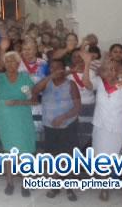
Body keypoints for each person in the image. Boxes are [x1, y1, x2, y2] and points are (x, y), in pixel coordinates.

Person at [81, 50, 122, 204]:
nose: (111, 72)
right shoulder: (99, 82)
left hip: (121, 130)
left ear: (118, 70)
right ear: (102, 72)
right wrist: (86, 64)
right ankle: (104, 187)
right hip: (102, 130)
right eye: (107, 69)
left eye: (114, 69)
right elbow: (86, 83)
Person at [0, 51, 36, 198]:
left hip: (22, 117)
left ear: (18, 64)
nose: (10, 64)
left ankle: (26, 182)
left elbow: (34, 100)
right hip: (6, 118)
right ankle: (10, 182)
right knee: (8, 151)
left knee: (25, 150)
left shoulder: (25, 78)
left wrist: (19, 102)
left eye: (13, 61)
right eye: (7, 61)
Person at [33, 59, 81, 201]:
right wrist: (49, 77)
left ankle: (69, 187)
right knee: (53, 157)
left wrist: (63, 117)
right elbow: (34, 91)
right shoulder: (46, 83)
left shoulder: (71, 84)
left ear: (63, 69)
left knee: (67, 157)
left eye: (58, 67)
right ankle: (55, 185)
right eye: (52, 68)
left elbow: (78, 107)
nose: (55, 70)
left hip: (68, 126)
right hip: (50, 126)